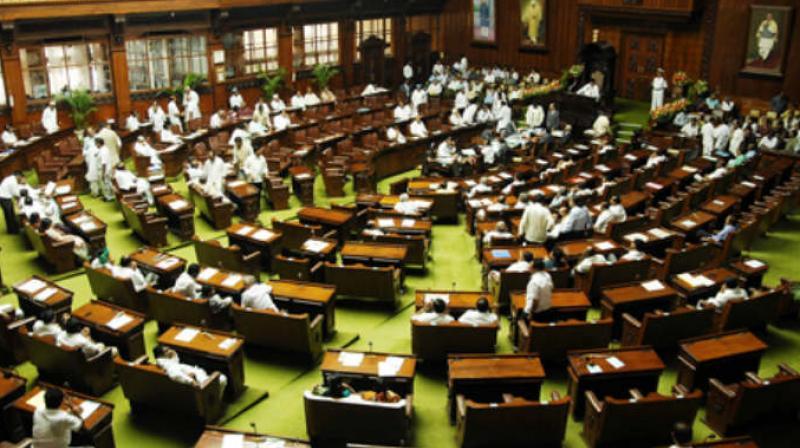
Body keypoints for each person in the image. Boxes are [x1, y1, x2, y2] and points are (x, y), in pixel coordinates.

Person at [154, 345, 227, 394]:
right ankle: (216, 402)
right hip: (200, 382)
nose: (170, 351)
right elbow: (175, 374)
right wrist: (192, 381)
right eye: (166, 351)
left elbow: (175, 365)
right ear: (161, 355)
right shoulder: (168, 366)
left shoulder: (164, 362)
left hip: (198, 378)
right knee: (223, 379)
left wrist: (174, 355)